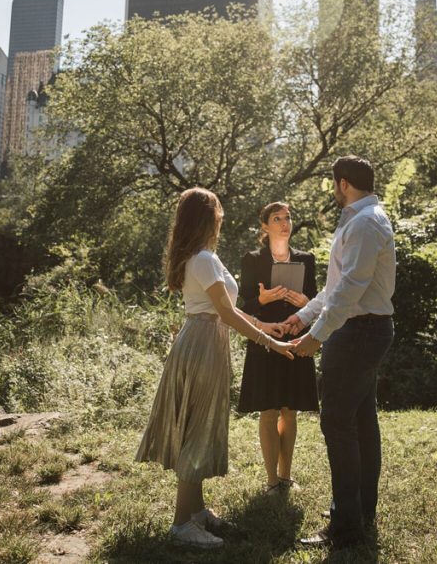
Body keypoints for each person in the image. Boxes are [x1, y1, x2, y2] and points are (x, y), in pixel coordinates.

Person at [135, 188, 295, 550]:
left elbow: (229, 310)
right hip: (203, 342)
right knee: (198, 427)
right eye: (218, 211)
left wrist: (264, 325)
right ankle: (181, 525)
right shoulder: (203, 259)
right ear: (208, 217)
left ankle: (197, 511)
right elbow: (225, 313)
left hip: (205, 338)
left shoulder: (203, 256)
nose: (222, 217)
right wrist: (270, 343)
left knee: (203, 423)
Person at [285, 156, 396, 550]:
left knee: (337, 422)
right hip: (361, 329)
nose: (334, 190)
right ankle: (358, 513)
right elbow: (336, 287)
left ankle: (347, 526)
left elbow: (350, 289)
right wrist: (302, 317)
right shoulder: (363, 219)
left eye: (334, 184)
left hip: (358, 332)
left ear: (343, 183)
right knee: (361, 421)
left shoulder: (364, 222)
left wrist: (317, 335)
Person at [236, 202, 319, 492]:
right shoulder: (252, 260)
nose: (285, 223)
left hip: (296, 338)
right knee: (269, 411)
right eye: (277, 218)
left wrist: (305, 303)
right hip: (264, 341)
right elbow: (241, 308)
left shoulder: (306, 259)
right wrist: (263, 300)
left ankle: (286, 476)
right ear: (264, 226)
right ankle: (271, 481)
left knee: (290, 410)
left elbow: (317, 303)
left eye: (288, 218)